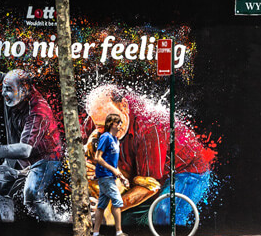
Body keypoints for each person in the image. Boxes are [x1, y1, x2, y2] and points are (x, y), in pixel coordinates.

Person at [82, 84, 215, 225]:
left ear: (124, 107)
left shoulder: (150, 128)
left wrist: (109, 207)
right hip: (144, 176)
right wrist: (86, 165)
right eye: (101, 126)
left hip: (187, 173)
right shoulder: (95, 121)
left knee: (164, 213)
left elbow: (149, 186)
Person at [0, 57, 64, 221]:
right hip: (21, 157)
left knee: (32, 193)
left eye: (8, 90)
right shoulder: (14, 85)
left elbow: (25, 150)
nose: (3, 93)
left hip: (46, 158)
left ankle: (55, 226)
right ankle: (8, 225)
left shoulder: (38, 110)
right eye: (3, 88)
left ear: (24, 89)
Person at [91, 113, 132, 236]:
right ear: (111, 124)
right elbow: (98, 157)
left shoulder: (115, 140)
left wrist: (121, 177)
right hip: (105, 176)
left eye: (120, 123)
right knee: (117, 202)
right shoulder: (106, 137)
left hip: (110, 176)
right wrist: (113, 170)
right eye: (118, 122)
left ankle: (95, 234)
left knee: (101, 205)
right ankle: (119, 233)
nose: (120, 125)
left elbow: (113, 163)